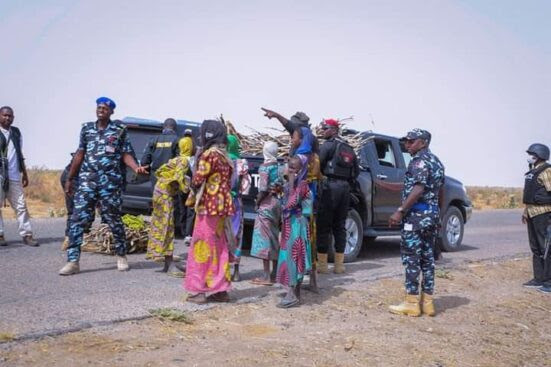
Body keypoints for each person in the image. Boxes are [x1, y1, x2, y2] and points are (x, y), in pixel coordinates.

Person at [59, 97, 147, 275]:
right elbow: (80, 153)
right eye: (99, 107)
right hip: (87, 181)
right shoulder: (86, 129)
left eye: (105, 108)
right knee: (78, 219)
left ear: (111, 112)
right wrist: (70, 178)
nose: (101, 110)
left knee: (113, 219)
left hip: (110, 182)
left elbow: (126, 154)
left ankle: (121, 255)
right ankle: (73, 261)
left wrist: (135, 167)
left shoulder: (119, 130)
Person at [262, 107, 321, 291]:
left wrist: (287, 181)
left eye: (293, 134)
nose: (290, 137)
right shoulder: (308, 149)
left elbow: (291, 177)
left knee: (300, 241)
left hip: (300, 204)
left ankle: (299, 282)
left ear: (301, 134)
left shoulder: (301, 157)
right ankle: (309, 280)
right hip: (305, 201)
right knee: (306, 241)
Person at [388, 128, 445, 317]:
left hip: (415, 218)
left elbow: (418, 189)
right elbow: (440, 191)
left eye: (411, 141)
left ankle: (411, 302)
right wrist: (439, 215)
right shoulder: (437, 161)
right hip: (431, 217)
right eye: (406, 141)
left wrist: (400, 210)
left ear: (423, 142)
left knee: (412, 259)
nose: (407, 145)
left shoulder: (419, 162)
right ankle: (427, 303)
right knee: (428, 259)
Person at [184, 120, 234, 304]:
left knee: (201, 247)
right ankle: (220, 290)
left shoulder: (208, 155)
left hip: (208, 207)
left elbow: (198, 179)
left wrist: (190, 183)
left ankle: (199, 291)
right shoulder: (224, 156)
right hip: (222, 207)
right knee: (219, 247)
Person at [316, 119, 359, 274]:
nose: (322, 131)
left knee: (323, 225)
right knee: (340, 226)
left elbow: (317, 165)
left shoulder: (328, 145)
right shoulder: (349, 147)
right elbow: (356, 172)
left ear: (334, 130)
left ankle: (322, 266)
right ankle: (339, 266)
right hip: (345, 189)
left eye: (325, 128)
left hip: (330, 187)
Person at [276, 156, 313, 308]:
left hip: (297, 225)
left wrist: (290, 184)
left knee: (293, 256)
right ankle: (295, 293)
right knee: (291, 256)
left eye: (294, 168)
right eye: (289, 167)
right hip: (290, 223)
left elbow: (291, 203)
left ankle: (291, 293)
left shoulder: (302, 184)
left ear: (301, 169)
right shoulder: (293, 183)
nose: (290, 171)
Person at [146, 152, 191, 273]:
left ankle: (167, 263)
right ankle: (170, 263)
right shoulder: (184, 161)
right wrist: (187, 187)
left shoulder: (177, 159)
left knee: (162, 225)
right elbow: (178, 177)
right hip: (164, 195)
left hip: (160, 191)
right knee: (167, 226)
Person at [0, 106, 38, 246]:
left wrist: (25, 173)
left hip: (14, 175)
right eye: (4, 115)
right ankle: (0, 235)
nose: (7, 118)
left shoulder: (16, 132)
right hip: (0, 175)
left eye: (10, 116)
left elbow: (19, 154)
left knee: (21, 206)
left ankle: (27, 235)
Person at [250, 141, 283, 285]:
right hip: (277, 203)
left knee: (264, 239)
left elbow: (263, 189)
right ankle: (275, 274)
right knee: (274, 237)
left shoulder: (264, 167)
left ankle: (266, 276)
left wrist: (257, 202)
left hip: (266, 204)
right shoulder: (278, 166)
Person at [521, 143, 551, 294]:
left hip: (544, 213)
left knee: (546, 248)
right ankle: (538, 279)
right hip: (532, 213)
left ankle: (548, 281)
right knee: (535, 248)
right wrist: (526, 212)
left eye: (532, 154)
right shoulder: (532, 172)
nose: (529, 157)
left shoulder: (547, 171)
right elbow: (530, 195)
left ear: (539, 155)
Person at [227, 134, 251, 281]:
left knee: (222, 235)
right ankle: (236, 272)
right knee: (237, 236)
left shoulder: (221, 160)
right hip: (236, 202)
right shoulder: (242, 163)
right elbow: (245, 188)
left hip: (221, 202)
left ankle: (222, 270)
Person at [141, 118, 180, 187]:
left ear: (164, 127)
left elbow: (145, 160)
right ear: (175, 128)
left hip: (155, 175)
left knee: (156, 196)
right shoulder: (177, 140)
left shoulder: (154, 139)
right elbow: (179, 159)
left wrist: (148, 168)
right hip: (170, 175)